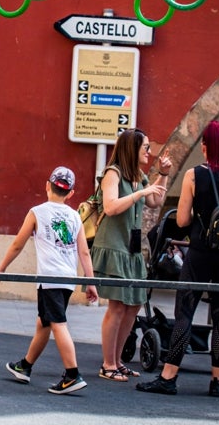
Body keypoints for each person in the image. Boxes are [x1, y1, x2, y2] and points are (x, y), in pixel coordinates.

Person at [137, 120, 219, 397]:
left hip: (201, 252)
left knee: (185, 314)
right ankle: (216, 381)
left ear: (204, 147)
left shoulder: (193, 175)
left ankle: (169, 377)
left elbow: (181, 219)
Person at [0, 166, 98, 395]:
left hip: (49, 277)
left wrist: (1, 268)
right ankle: (25, 366)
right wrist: (90, 282)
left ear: (47, 185)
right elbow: (84, 252)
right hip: (67, 279)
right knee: (44, 322)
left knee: (58, 323)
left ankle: (72, 375)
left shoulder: (37, 212)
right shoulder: (74, 216)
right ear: (70, 193)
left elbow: (18, 244)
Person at [92, 129, 169, 382]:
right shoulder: (112, 174)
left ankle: (117, 360)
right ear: (131, 148)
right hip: (114, 246)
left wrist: (164, 176)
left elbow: (155, 202)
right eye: (145, 147)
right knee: (116, 306)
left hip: (132, 249)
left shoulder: (140, 175)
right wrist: (140, 193)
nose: (149, 152)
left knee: (133, 305)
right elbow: (112, 206)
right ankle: (107, 364)